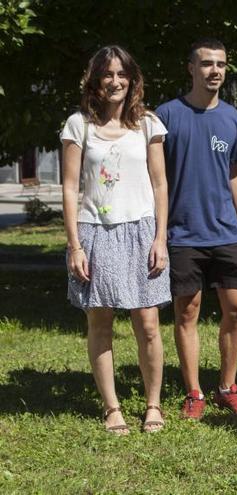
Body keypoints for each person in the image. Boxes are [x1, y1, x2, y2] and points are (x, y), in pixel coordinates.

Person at [60, 45, 170, 434]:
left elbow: (160, 184)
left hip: (141, 232)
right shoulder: (78, 126)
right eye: (107, 74)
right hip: (95, 233)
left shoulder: (149, 125)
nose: (115, 81)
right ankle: (112, 408)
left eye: (121, 74)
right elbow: (70, 188)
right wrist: (75, 245)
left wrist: (160, 238)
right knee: (100, 322)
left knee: (149, 323)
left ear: (132, 79)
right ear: (95, 80)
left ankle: (153, 405)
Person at [156, 38, 237, 419]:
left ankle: (227, 387)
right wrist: (159, 229)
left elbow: (236, 172)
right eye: (207, 64)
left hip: (226, 231)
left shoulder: (232, 117)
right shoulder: (166, 115)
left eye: (221, 64)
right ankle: (194, 392)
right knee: (188, 312)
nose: (215, 71)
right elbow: (156, 176)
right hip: (182, 232)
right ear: (191, 68)